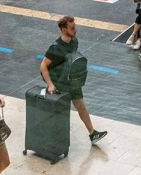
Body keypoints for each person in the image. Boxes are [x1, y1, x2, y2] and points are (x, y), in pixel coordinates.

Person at [40, 16, 107, 145]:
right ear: (63, 29)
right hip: (59, 82)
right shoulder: (55, 48)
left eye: (75, 27)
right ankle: (54, 139)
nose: (75, 30)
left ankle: (93, 133)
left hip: (71, 80)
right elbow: (43, 66)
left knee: (81, 105)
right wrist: (50, 84)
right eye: (72, 28)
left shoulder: (74, 41)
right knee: (60, 113)